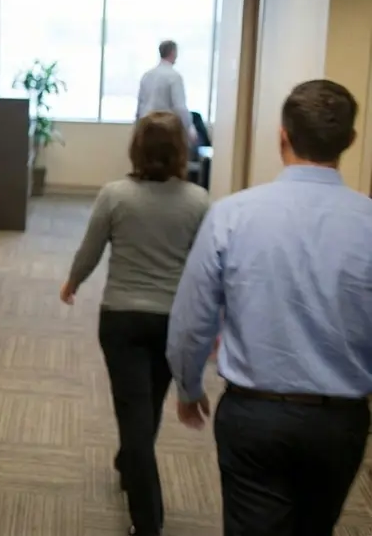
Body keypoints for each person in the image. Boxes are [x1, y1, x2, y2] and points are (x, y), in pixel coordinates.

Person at [167, 79, 372, 535]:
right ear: (350, 142)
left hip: (254, 416)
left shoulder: (233, 215)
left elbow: (193, 317)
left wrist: (187, 384)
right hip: (341, 421)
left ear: (282, 137)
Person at [60, 110, 211, 536]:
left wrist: (73, 281)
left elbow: (91, 250)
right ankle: (131, 463)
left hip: (121, 321)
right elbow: (205, 268)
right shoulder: (199, 201)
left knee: (133, 410)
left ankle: (148, 522)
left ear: (137, 148)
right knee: (147, 405)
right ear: (181, 151)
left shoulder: (115, 195)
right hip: (173, 322)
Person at [136, 40, 195, 146]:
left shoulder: (147, 75)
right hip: (165, 128)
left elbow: (140, 104)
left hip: (146, 127)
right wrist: (189, 127)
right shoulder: (174, 76)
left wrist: (137, 127)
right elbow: (179, 107)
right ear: (173, 53)